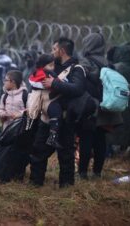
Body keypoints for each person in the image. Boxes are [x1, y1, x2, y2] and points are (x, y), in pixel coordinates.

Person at [30, 37, 86, 187]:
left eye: (54, 49)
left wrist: (54, 83)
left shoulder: (76, 69)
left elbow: (77, 89)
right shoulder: (51, 66)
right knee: (39, 150)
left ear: (62, 51)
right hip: (47, 117)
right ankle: (35, 184)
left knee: (66, 154)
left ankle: (66, 187)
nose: (52, 52)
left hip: (66, 120)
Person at [78, 33, 123, 179]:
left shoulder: (85, 62)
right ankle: (97, 172)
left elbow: (81, 83)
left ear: (89, 45)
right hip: (105, 107)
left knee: (86, 140)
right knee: (100, 141)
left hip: (90, 106)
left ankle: (83, 173)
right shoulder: (109, 63)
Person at [28, 54, 63, 149]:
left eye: (53, 65)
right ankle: (52, 138)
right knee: (57, 114)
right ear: (43, 65)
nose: (53, 67)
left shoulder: (35, 73)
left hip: (39, 103)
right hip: (49, 101)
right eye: (50, 65)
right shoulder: (49, 74)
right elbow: (59, 83)